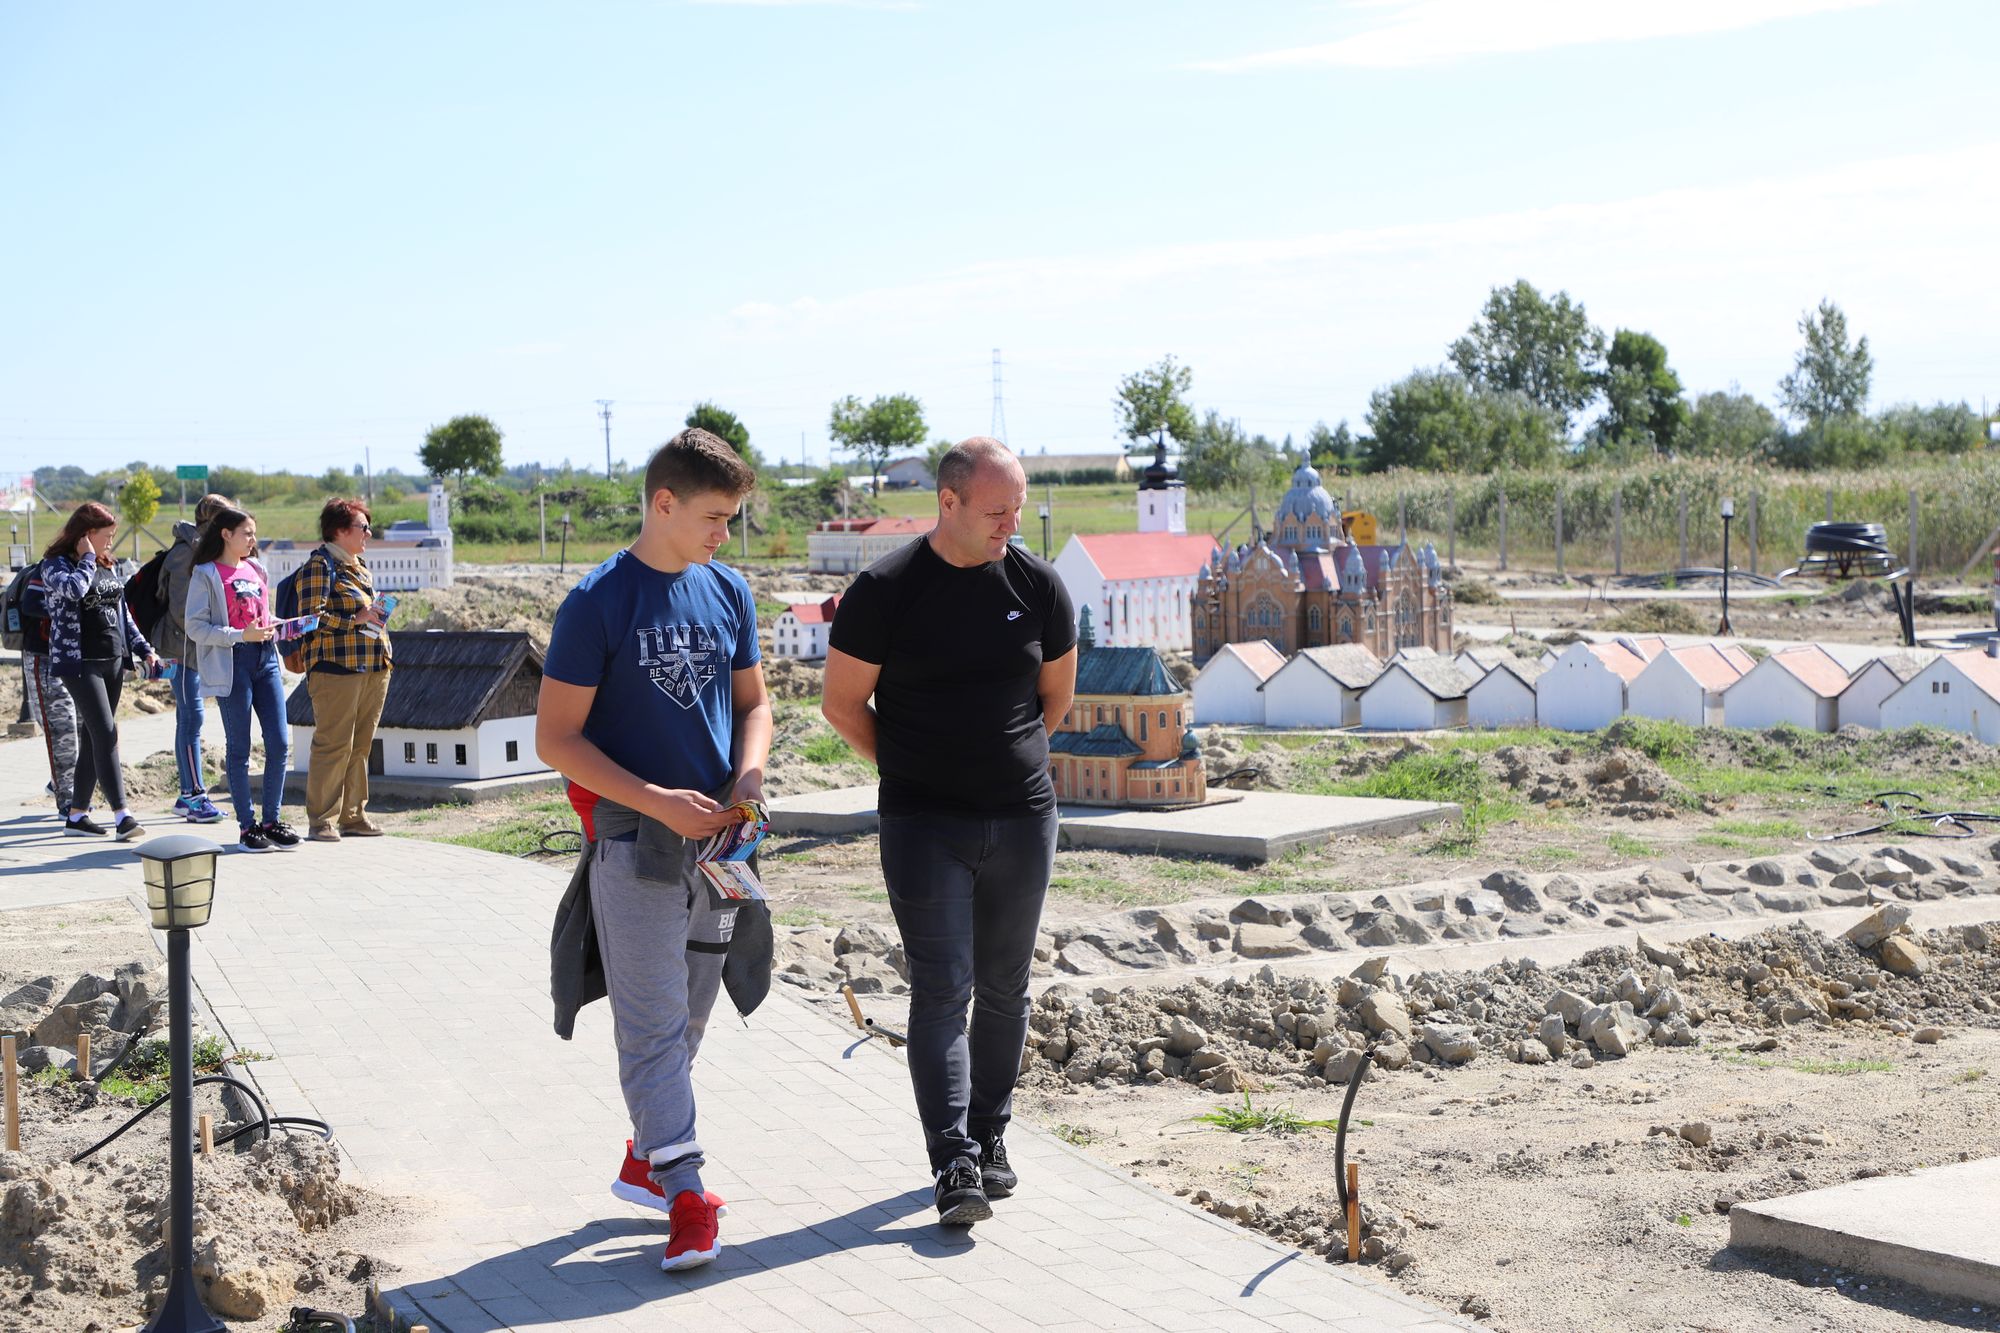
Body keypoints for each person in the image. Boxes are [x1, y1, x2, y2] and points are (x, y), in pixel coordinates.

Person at [822, 436, 1078, 1226]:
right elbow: (841, 705)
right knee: (942, 988)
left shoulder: (1039, 586)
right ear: (949, 501)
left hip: (1023, 818)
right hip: (923, 822)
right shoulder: (884, 591)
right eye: (998, 509)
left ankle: (990, 1135)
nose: (1012, 522)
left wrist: (1006, 766)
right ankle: (952, 1160)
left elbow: (1056, 699)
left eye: (1019, 507)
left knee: (1005, 987)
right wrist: (910, 766)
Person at [537, 427, 769, 1272]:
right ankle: (688, 1195)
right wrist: (655, 801)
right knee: (651, 1027)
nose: (724, 534)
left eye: (732, 518)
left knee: (691, 1016)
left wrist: (749, 775)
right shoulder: (597, 602)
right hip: (634, 845)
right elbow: (556, 738)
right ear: (663, 503)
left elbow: (754, 704)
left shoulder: (728, 590)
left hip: (723, 848)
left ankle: (648, 1157)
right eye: (713, 517)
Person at [39, 502, 161, 841]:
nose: (110, 542)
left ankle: (77, 815)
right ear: (86, 534)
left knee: (95, 736)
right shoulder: (55, 565)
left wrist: (144, 649)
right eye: (106, 536)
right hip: (79, 662)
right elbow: (74, 590)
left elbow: (122, 613)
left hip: (112, 659)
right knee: (106, 734)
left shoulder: (108, 564)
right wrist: (87, 559)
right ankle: (123, 816)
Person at [184, 506, 299, 853]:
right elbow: (195, 627)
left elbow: (260, 615)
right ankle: (248, 827)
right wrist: (238, 636)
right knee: (239, 748)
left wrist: (284, 625)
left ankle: (272, 821)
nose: (253, 539)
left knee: (279, 743)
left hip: (266, 659)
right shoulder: (205, 573)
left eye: (253, 533)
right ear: (226, 534)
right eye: (247, 533)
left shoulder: (256, 569)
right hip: (232, 663)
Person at [294, 497, 393, 842]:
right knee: (333, 745)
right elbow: (309, 620)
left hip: (373, 666)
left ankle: (353, 816)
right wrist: (355, 619)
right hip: (336, 669)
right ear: (339, 530)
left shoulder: (359, 566)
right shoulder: (319, 566)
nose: (369, 533)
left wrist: (372, 617)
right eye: (363, 527)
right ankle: (321, 820)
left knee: (361, 746)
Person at [152, 492, 233, 825]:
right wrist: (221, 635)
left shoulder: (201, 550)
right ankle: (192, 796)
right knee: (191, 718)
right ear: (214, 523)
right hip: (179, 649)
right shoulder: (187, 553)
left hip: (190, 648)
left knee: (189, 719)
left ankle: (189, 794)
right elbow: (185, 612)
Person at [16, 563, 81, 828]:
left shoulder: (92, 566)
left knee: (84, 728)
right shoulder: (51, 566)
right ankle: (68, 801)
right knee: (62, 728)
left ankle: (63, 785)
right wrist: (70, 611)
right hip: (44, 657)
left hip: (78, 658)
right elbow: (31, 604)